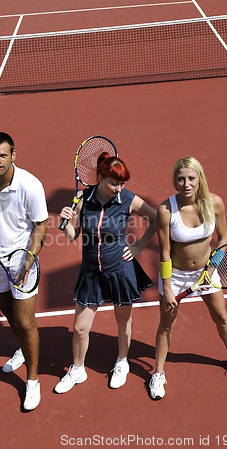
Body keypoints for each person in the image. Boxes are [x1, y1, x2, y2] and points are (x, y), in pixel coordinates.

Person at [149, 157, 227, 400]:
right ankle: (158, 373)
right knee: (166, 325)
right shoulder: (165, 210)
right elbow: (164, 252)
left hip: (207, 273)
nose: (186, 184)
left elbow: (224, 238)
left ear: (199, 179)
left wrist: (213, 266)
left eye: (191, 178)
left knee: (221, 317)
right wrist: (167, 287)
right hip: (175, 276)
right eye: (181, 178)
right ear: (174, 180)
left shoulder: (215, 203)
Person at [55, 153, 156, 393]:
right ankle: (78, 369)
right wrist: (63, 222)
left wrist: (138, 246)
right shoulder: (83, 198)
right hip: (91, 272)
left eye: (122, 183)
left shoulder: (127, 199)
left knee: (123, 320)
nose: (118, 187)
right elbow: (73, 235)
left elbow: (156, 219)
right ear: (100, 178)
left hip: (120, 268)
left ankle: (122, 362)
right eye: (114, 182)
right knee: (80, 327)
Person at [0, 132, 48, 411]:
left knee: (26, 323)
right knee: (11, 316)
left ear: (14, 155)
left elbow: (41, 225)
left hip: (21, 259)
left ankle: (33, 380)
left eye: (3, 155)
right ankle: (23, 350)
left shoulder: (30, 185)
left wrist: (28, 261)